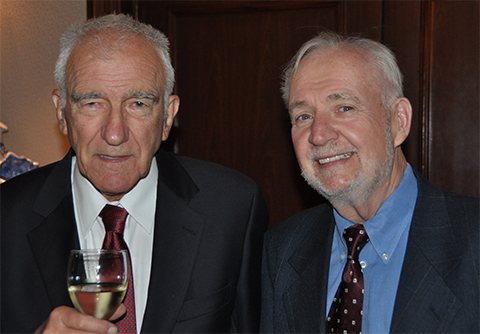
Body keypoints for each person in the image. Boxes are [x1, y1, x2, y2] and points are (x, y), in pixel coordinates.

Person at [1, 14, 268, 334]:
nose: (115, 133)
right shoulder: (5, 219)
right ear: (61, 112)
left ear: (168, 116)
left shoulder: (233, 207)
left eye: (138, 103)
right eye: (92, 103)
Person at [260, 31, 479, 333]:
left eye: (344, 108)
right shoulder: (283, 250)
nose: (319, 134)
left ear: (398, 121)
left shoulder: (473, 241)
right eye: (303, 116)